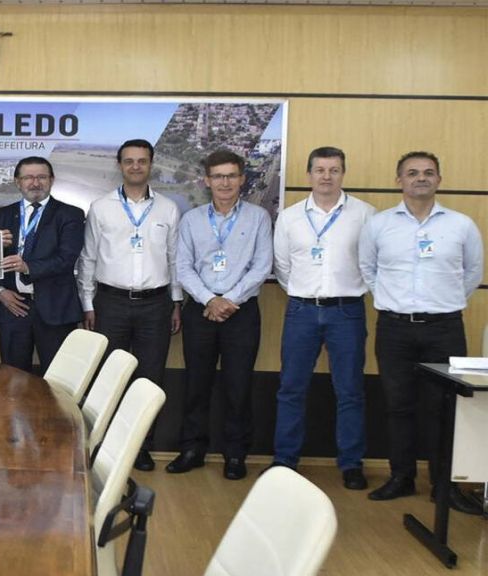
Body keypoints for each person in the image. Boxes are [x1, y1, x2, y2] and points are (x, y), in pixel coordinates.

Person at [359, 151, 483, 508]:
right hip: (395, 329)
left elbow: (472, 273)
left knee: (442, 408)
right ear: (399, 180)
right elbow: (368, 269)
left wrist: (442, 303)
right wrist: (391, 298)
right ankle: (402, 477)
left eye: (428, 173)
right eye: (412, 173)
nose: (421, 178)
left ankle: (444, 485)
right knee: (399, 406)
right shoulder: (379, 225)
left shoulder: (460, 225)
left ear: (439, 180)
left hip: (444, 329)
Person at [271, 146, 375, 489]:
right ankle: (285, 460)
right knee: (291, 388)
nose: (326, 176)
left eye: (334, 170)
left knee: (350, 391)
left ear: (343, 173)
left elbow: (371, 264)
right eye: (320, 170)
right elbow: (283, 266)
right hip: (301, 309)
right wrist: (304, 292)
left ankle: (351, 463)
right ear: (309, 174)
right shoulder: (290, 217)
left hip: (347, 311)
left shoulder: (365, 215)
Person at [167, 150, 272, 480]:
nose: (225, 182)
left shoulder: (258, 217)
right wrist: (209, 299)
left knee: (238, 386)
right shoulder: (192, 219)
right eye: (218, 176)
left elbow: (262, 266)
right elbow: (182, 267)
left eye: (231, 176)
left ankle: (235, 454)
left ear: (242, 179)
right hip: (200, 311)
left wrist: (229, 300)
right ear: (207, 180)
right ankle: (192, 449)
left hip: (241, 313)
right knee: (197, 384)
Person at [78, 139, 182, 471]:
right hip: (110, 302)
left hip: (156, 304)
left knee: (149, 378)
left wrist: (177, 302)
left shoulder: (168, 208)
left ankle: (140, 446)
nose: (136, 166)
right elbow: (88, 258)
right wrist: (86, 303)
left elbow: (175, 259)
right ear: (119, 165)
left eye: (142, 161)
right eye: (129, 161)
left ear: (151, 165)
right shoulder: (101, 207)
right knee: (110, 376)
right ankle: (107, 445)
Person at [0, 156, 84, 375]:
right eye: (28, 177)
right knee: (12, 379)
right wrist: (0, 292)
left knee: (59, 380)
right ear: (17, 181)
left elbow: (66, 259)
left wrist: (28, 267)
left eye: (41, 177)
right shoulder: (1, 216)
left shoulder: (71, 215)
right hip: (11, 308)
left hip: (55, 309)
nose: (35, 183)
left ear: (52, 180)